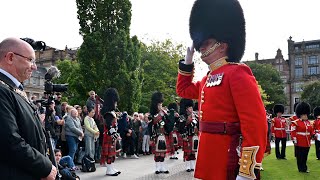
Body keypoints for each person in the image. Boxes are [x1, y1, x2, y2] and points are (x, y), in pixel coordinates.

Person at [176, 0, 268, 179]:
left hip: (228, 156)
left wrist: (247, 169)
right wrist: (187, 64)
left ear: (223, 45)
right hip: (208, 155)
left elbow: (255, 123)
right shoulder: (207, 78)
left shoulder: (237, 73)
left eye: (207, 42)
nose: (201, 47)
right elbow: (183, 90)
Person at [0, 37, 57, 179]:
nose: (35, 67)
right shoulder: (2, 90)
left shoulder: (12, 88)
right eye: (30, 60)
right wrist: (44, 167)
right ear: (10, 57)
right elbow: (9, 141)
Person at [149, 91, 173, 174]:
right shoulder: (152, 115)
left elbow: (169, 125)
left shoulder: (164, 114)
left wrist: (166, 116)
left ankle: (162, 167)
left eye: (161, 105)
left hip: (164, 135)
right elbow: (151, 127)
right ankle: (157, 168)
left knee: (163, 153)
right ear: (155, 105)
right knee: (157, 153)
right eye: (159, 105)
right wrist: (151, 137)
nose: (160, 106)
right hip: (156, 135)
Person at [100, 88, 121, 176]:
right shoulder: (109, 113)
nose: (116, 104)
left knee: (112, 153)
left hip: (112, 136)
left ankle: (111, 167)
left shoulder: (111, 112)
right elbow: (108, 125)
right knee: (109, 153)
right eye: (115, 102)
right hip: (109, 136)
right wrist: (113, 133)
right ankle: (109, 169)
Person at [291, 102, 314, 173]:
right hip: (300, 141)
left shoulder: (308, 122)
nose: (306, 116)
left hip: (307, 142)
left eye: (306, 114)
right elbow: (293, 132)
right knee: (300, 156)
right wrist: (294, 140)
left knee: (305, 156)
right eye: (304, 114)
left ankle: (304, 168)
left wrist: (313, 135)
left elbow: (311, 130)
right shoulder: (295, 122)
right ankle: (300, 168)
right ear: (301, 115)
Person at [178, 98, 199, 172]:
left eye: (191, 107)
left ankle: (192, 166)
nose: (191, 109)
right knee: (188, 152)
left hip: (194, 136)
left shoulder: (195, 116)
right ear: (186, 109)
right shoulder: (183, 117)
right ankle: (187, 166)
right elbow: (181, 128)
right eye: (190, 107)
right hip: (187, 136)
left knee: (193, 152)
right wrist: (184, 136)